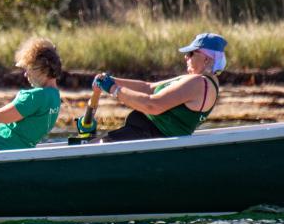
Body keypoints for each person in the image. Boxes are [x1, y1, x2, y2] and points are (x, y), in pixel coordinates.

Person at [94, 32, 226, 142]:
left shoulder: (199, 83)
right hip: (142, 134)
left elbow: (153, 106)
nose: (186, 57)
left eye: (191, 53)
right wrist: (112, 80)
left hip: (151, 139)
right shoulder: (196, 80)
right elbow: (148, 87)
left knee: (98, 145)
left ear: (207, 59)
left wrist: (113, 89)